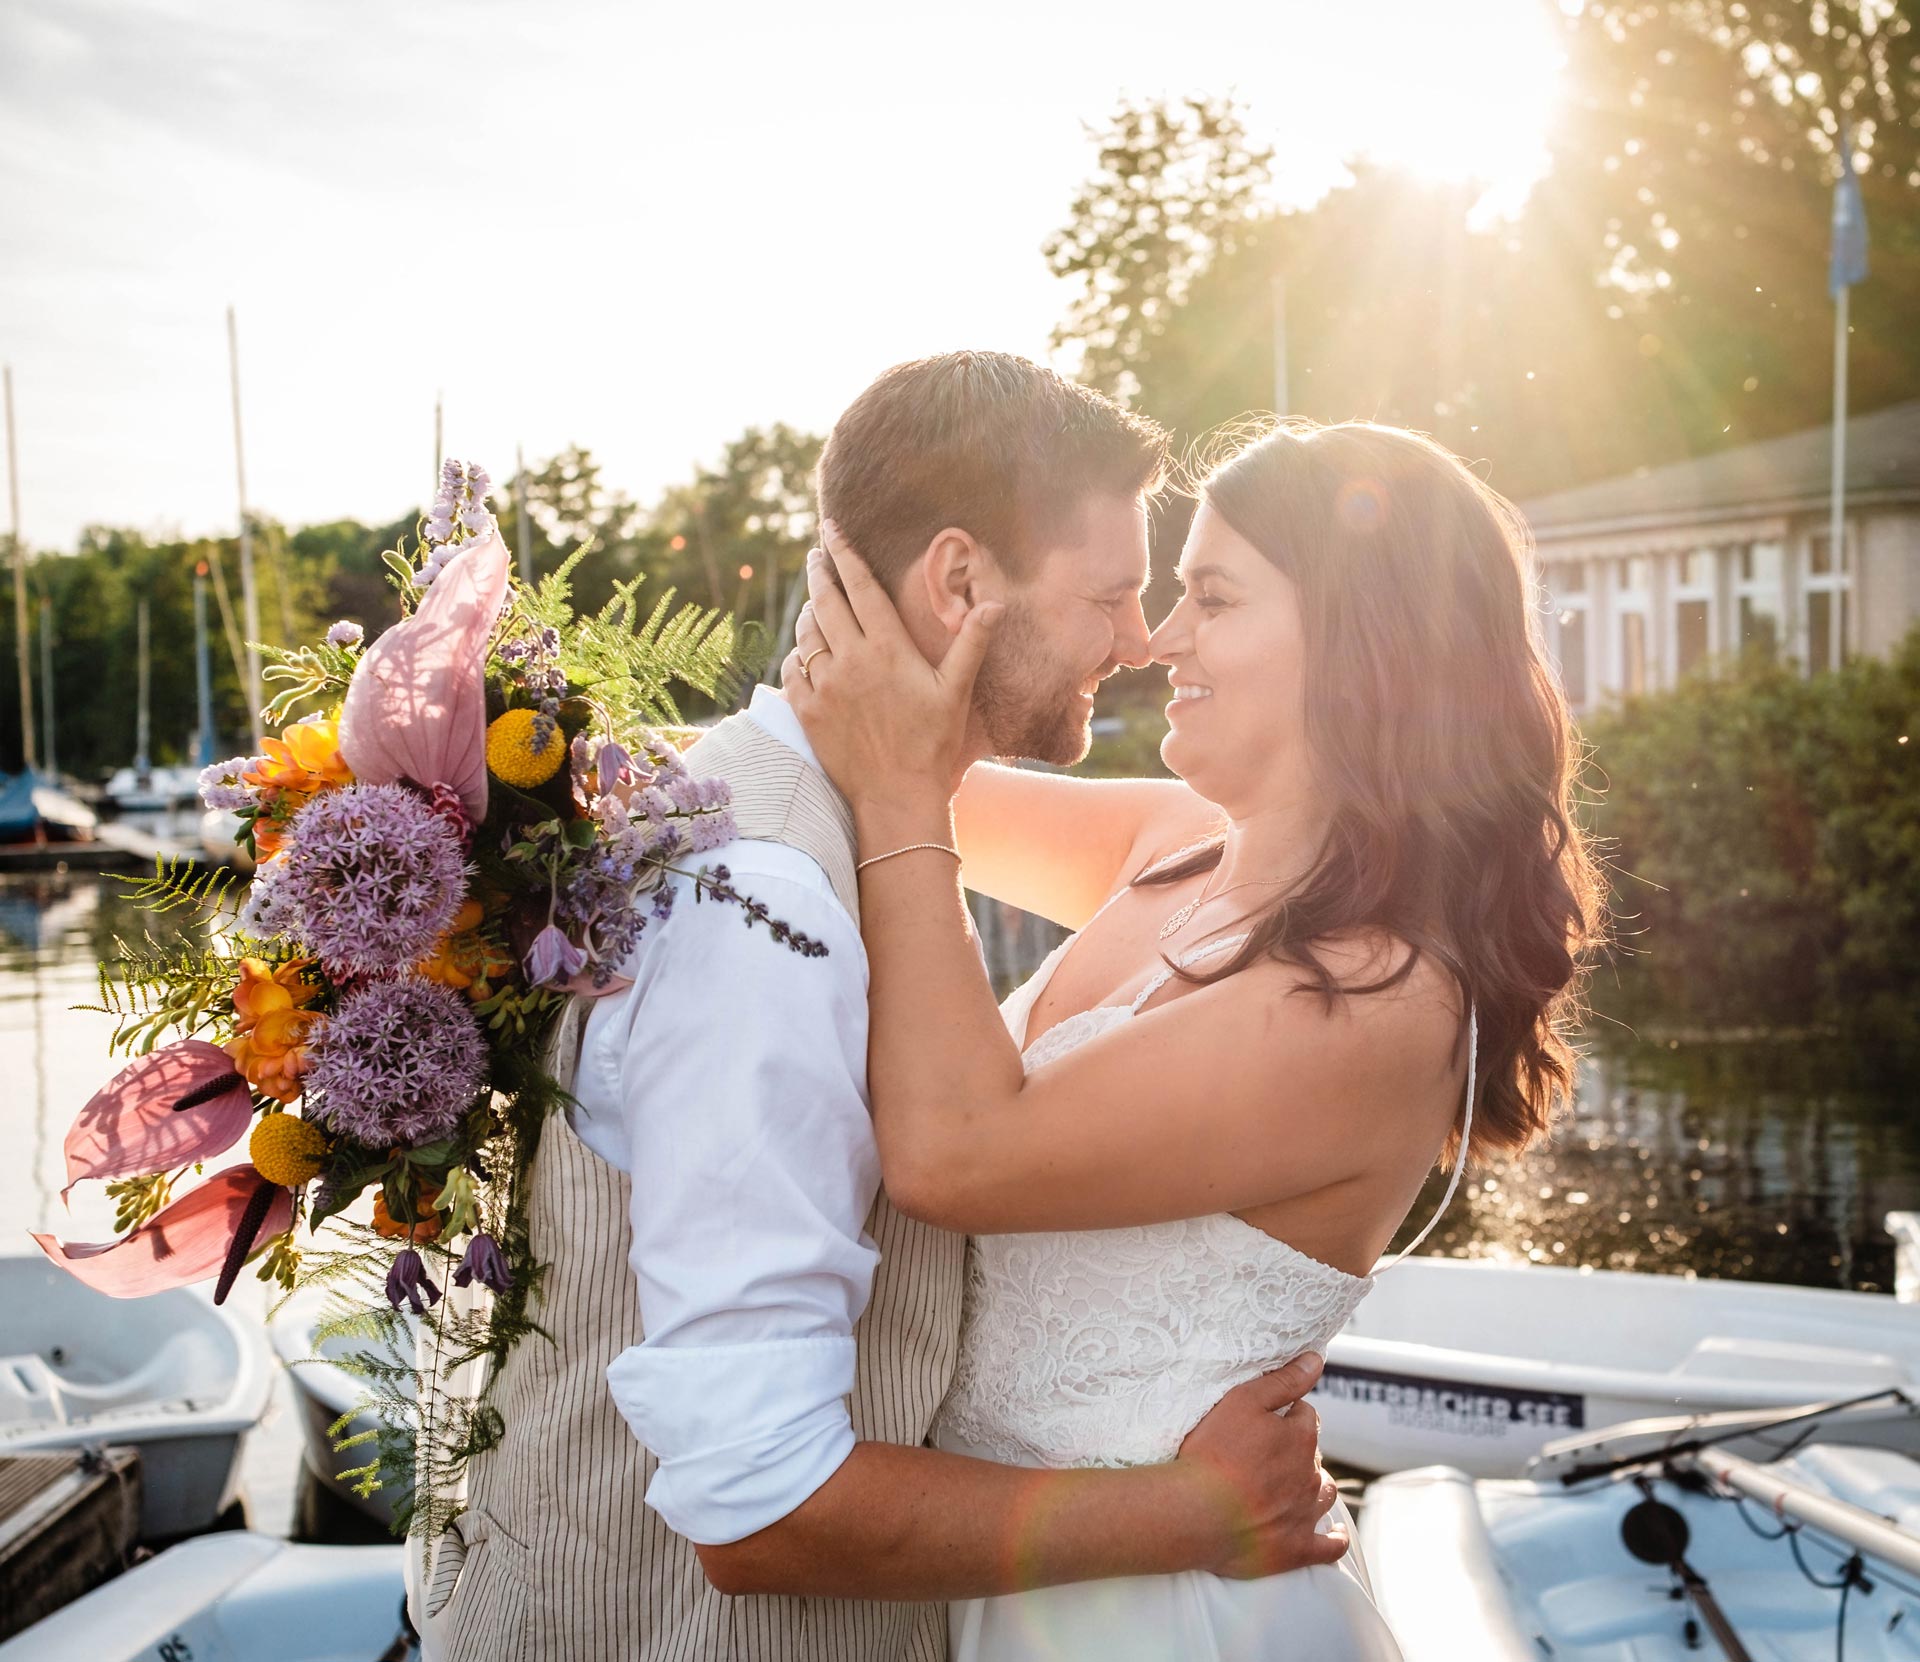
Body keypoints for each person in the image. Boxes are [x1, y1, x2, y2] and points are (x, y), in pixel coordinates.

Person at [409, 353, 1346, 1662]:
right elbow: (760, 1503)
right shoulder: (768, 908)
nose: (1140, 639)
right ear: (960, 582)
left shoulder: (778, 811)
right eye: (1110, 594)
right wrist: (1194, 1515)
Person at [783, 415, 1604, 1660]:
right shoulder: (1169, 845)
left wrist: (903, 789)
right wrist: (530, 775)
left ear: (1366, 642)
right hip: (997, 1582)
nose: (1159, 639)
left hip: (1166, 1621)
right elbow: (844, 762)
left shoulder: (1378, 1001)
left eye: (1211, 600)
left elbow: (953, 1151)